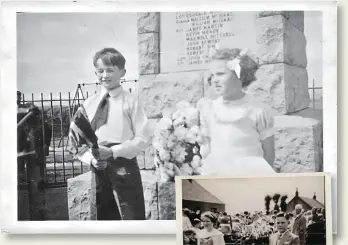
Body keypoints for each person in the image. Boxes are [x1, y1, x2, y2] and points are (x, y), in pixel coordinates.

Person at [71, 47, 150, 220]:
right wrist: (92, 159)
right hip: (98, 167)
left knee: (131, 215)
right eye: (100, 71)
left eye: (110, 70)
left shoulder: (131, 102)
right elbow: (78, 141)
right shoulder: (89, 104)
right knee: (103, 216)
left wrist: (113, 152)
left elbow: (143, 138)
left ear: (122, 72)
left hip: (124, 166)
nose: (104, 75)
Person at [198, 47, 276, 175]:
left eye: (220, 74)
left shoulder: (258, 111)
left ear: (240, 76)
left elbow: (269, 154)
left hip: (250, 178)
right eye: (212, 75)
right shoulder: (208, 110)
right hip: (219, 179)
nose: (215, 80)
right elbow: (208, 151)